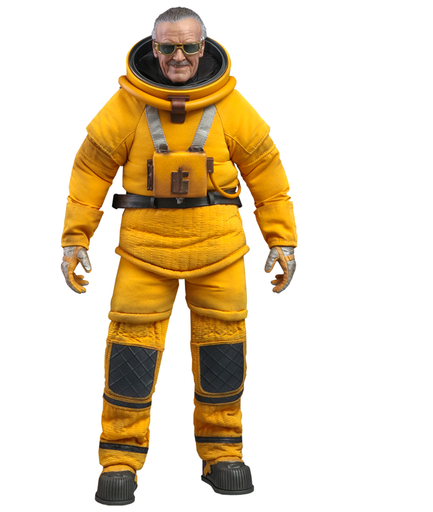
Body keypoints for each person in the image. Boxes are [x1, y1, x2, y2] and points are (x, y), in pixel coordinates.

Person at [61, 7, 297, 506]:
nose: (178, 57)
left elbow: (267, 172)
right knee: (130, 354)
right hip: (144, 252)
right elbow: (90, 170)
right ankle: (119, 461)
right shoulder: (127, 106)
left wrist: (282, 239)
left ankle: (223, 454)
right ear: (153, 49)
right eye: (168, 47)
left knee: (222, 353)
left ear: (203, 48)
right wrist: (75, 237)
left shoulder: (231, 106)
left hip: (219, 252)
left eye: (189, 46)